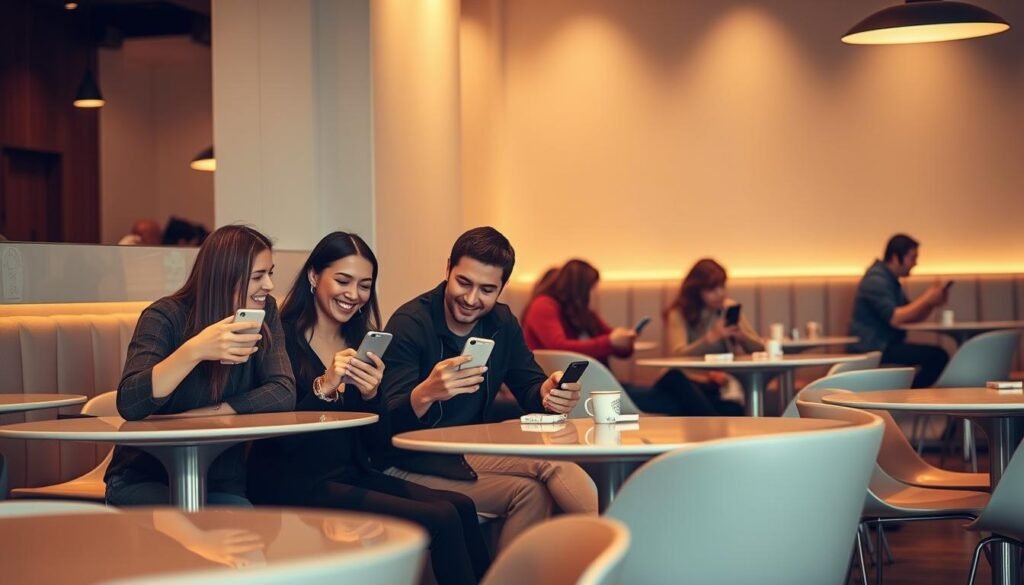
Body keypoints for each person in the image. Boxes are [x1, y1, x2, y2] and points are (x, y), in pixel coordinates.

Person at [247, 232, 489, 585]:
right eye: (342, 280)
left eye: (364, 285)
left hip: (350, 474)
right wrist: (324, 388)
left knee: (460, 506)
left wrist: (372, 395)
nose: (353, 295)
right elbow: (278, 440)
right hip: (292, 480)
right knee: (441, 518)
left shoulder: (364, 343)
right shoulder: (279, 339)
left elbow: (378, 446)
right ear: (314, 276)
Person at [379, 227, 598, 551]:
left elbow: (529, 387)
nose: (471, 299)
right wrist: (426, 392)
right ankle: (620, 552)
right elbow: (388, 423)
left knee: (533, 491)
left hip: (467, 449)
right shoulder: (411, 322)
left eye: (486, 289)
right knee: (552, 464)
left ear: (501, 288)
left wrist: (548, 393)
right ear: (448, 268)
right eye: (463, 282)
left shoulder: (501, 322)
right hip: (408, 460)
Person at [105, 225, 296, 506]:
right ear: (224, 278)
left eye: (270, 273)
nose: (268, 286)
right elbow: (131, 403)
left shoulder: (265, 313)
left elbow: (283, 391)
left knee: (243, 530)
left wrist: (204, 415)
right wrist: (194, 351)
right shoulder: (164, 317)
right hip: (146, 479)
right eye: (258, 276)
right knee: (197, 534)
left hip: (221, 482)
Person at [521, 258, 717, 415]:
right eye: (590, 288)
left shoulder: (583, 313)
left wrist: (624, 341)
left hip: (602, 385)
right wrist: (611, 342)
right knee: (677, 388)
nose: (593, 294)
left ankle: (715, 423)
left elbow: (613, 342)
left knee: (679, 386)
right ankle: (715, 429)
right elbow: (558, 346)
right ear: (579, 288)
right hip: (581, 391)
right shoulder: (544, 305)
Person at [848, 234, 949, 387]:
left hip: (886, 345)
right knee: (937, 357)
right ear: (896, 257)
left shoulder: (890, 280)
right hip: (873, 347)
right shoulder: (876, 280)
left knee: (937, 356)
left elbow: (910, 315)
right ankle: (909, 398)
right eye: (912, 257)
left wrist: (931, 303)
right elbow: (895, 318)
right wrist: (926, 299)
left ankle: (909, 397)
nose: (915, 263)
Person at [663, 258, 759, 415]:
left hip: (718, 385)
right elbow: (677, 355)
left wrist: (742, 336)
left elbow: (760, 349)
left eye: (722, 286)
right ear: (696, 291)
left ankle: (710, 426)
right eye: (712, 289)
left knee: (732, 409)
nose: (720, 293)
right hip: (689, 381)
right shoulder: (679, 313)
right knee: (674, 378)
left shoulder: (728, 308)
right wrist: (710, 338)